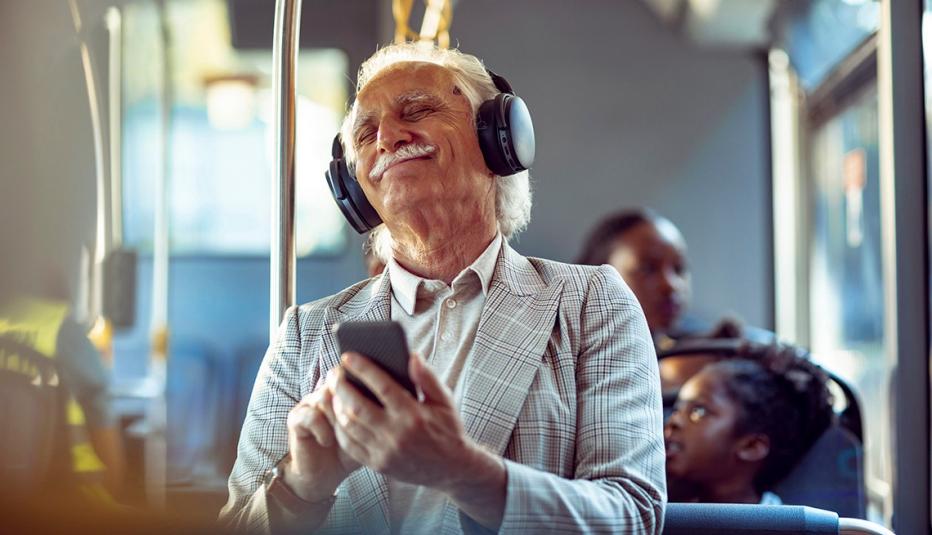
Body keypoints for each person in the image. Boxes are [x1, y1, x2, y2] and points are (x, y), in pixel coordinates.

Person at [221, 43, 665, 534]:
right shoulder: (306, 334)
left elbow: (633, 516)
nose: (387, 136)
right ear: (355, 188)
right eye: (365, 133)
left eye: (417, 110)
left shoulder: (590, 302)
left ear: (499, 139)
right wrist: (300, 486)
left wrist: (460, 470)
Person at [663, 344, 833, 505]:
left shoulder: (783, 527)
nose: (673, 421)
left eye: (699, 411)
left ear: (751, 447)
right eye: (677, 410)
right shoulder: (657, 511)